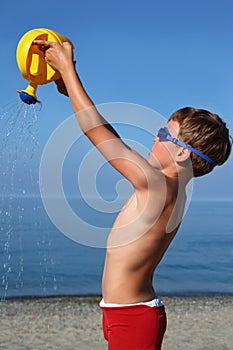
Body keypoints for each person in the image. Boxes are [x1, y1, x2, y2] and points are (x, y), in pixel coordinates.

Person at [33, 40, 232, 350]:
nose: (156, 136)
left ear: (182, 154)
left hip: (132, 318)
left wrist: (69, 71)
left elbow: (97, 132)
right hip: (127, 314)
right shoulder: (171, 190)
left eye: (166, 134)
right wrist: (69, 85)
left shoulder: (159, 187)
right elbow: (107, 130)